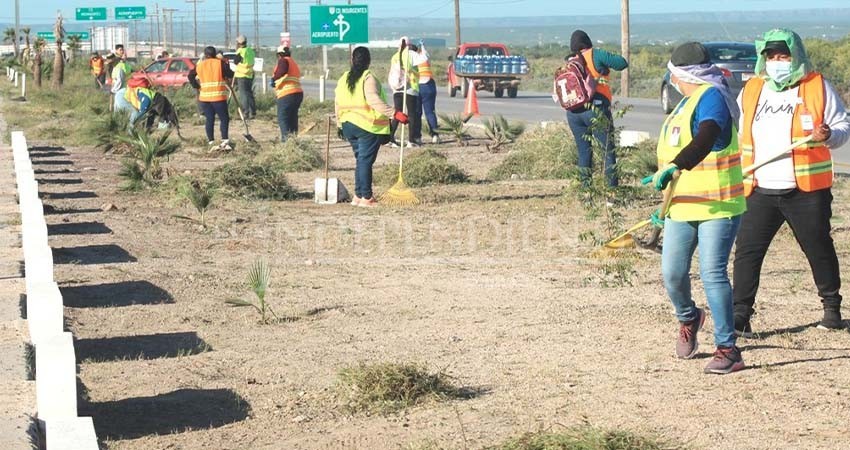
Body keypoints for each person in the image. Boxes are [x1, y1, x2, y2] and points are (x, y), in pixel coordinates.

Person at [732, 28, 850, 335]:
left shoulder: (816, 85)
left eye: (783, 56)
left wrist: (829, 135)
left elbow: (842, 126)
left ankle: (831, 309)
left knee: (818, 247)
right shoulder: (753, 88)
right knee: (747, 252)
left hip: (805, 190)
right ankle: (740, 315)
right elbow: (740, 130)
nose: (777, 62)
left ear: (795, 56)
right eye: (771, 56)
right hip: (759, 187)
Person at [643, 42, 747, 374]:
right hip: (682, 207)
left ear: (680, 75)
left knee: (712, 273)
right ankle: (689, 317)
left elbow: (707, 137)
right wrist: (664, 195)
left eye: (672, 76)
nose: (671, 81)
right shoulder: (684, 105)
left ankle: (728, 349)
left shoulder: (711, 96)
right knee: (672, 273)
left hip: (718, 204)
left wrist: (676, 165)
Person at [335, 46, 408, 208]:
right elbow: (374, 101)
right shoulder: (368, 78)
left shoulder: (343, 78)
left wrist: (339, 123)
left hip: (348, 125)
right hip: (367, 126)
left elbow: (338, 103)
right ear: (368, 61)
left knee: (360, 160)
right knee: (365, 161)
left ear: (352, 60)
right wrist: (395, 114)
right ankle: (366, 197)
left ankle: (358, 195)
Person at [565, 30, 628, 191]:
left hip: (574, 112)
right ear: (588, 43)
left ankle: (586, 191)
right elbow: (622, 63)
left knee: (583, 152)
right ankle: (611, 192)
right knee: (607, 150)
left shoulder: (569, 62)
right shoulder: (596, 54)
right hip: (596, 107)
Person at [188, 46, 235, 151]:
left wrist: (196, 86)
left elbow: (190, 76)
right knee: (224, 119)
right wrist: (225, 66)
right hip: (218, 97)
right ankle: (225, 140)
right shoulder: (219, 63)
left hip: (204, 98)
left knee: (210, 119)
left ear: (205, 55)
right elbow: (230, 73)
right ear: (214, 54)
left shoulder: (200, 65)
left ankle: (211, 141)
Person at [388, 36, 421, 147]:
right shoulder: (411, 55)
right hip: (410, 86)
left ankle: (391, 138)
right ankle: (411, 140)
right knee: (412, 114)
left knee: (397, 113)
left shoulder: (394, 56)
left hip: (397, 88)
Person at [271, 46, 303, 142]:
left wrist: (274, 79)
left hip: (286, 94)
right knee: (292, 119)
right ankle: (293, 140)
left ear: (279, 54)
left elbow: (281, 71)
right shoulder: (293, 62)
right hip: (297, 93)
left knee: (283, 119)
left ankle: (286, 142)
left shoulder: (283, 60)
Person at [412, 42, 440, 144]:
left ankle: (417, 137)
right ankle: (435, 135)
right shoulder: (425, 58)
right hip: (429, 85)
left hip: (417, 86)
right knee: (430, 112)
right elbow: (426, 53)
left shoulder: (411, 60)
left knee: (417, 113)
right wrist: (423, 45)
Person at [233, 35, 257, 119]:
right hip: (249, 74)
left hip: (241, 74)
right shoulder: (250, 50)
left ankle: (245, 112)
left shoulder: (240, 51)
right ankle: (253, 112)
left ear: (239, 43)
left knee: (243, 95)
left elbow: (235, 61)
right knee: (249, 93)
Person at [109, 49, 133, 113]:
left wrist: (113, 90)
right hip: (118, 87)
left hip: (120, 88)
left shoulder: (121, 66)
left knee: (119, 104)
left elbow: (120, 80)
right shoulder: (116, 66)